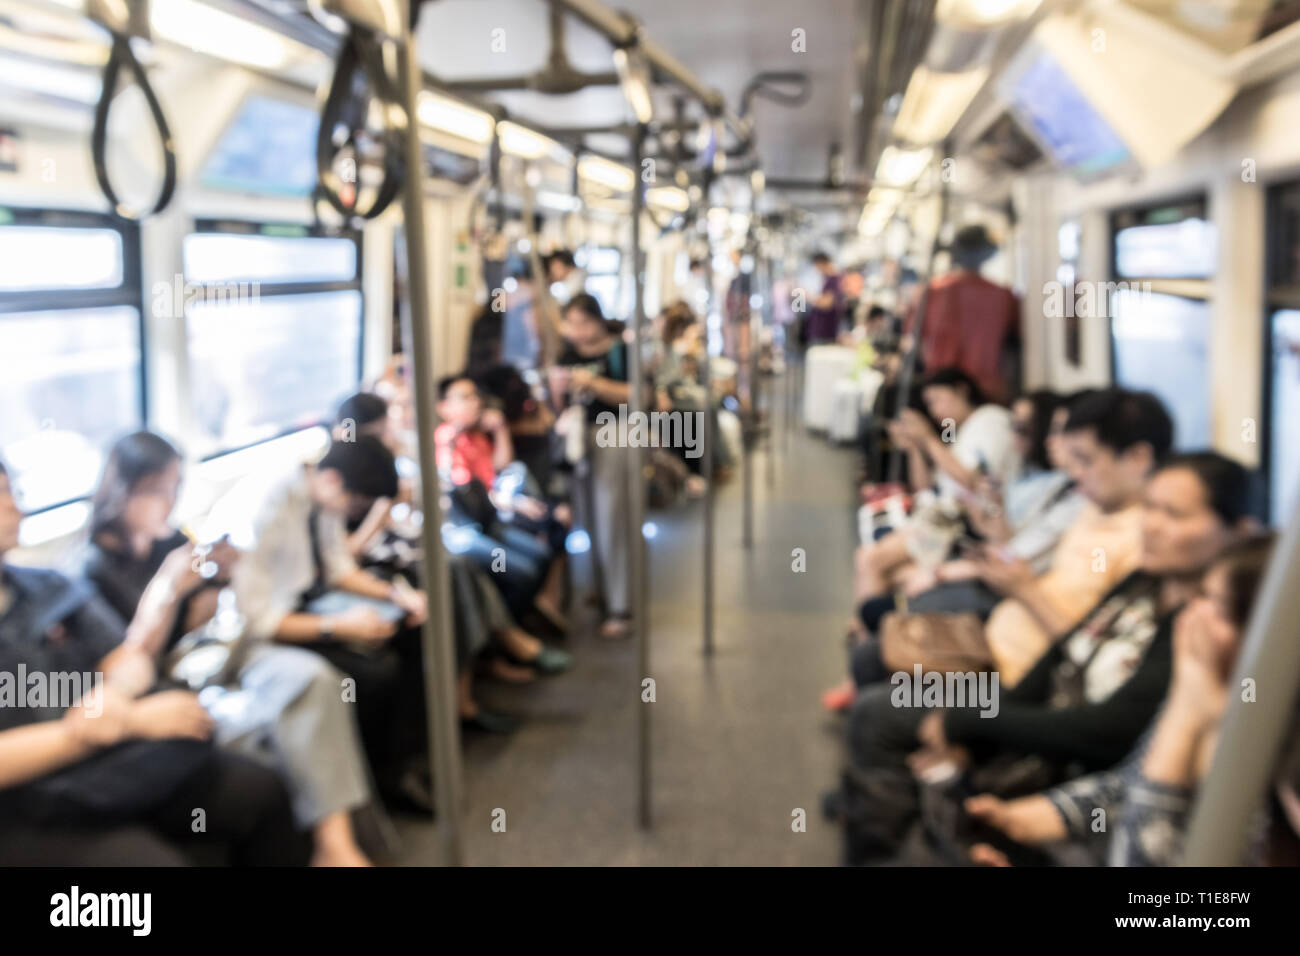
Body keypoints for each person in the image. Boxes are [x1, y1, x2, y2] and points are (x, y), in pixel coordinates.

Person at [833, 451, 1256, 864]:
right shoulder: (1141, 580)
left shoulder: (1197, 624)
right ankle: (869, 808)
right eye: (1150, 509)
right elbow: (1064, 652)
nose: (1152, 525)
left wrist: (967, 720)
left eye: (1175, 515)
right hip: (1010, 680)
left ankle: (880, 832)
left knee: (879, 712)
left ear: (1237, 531)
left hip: (1010, 688)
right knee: (877, 675)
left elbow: (1107, 729)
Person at [78, 432, 376, 865]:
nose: (168, 501)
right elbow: (130, 666)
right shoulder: (91, 572)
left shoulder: (171, 541)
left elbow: (204, 622)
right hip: (164, 681)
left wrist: (216, 580)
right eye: (158, 490)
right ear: (124, 490)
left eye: (175, 488)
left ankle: (337, 846)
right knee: (274, 727)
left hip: (212, 653)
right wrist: (165, 592)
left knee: (313, 679)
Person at [0, 460, 308, 866]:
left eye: (12, 491)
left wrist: (114, 694)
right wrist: (119, 723)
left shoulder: (49, 586)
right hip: (25, 800)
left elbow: (126, 656)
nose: (15, 507)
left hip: (108, 764)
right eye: (2, 495)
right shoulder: (90, 564)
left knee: (261, 790)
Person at [965, 532, 1289, 867]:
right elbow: (1131, 782)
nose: (1194, 613)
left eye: (1215, 604)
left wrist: (1187, 709)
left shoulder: (1266, 753)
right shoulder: (1216, 683)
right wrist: (1044, 815)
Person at [209, 436, 433, 812]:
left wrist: (396, 596)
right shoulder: (266, 509)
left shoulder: (322, 496)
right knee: (376, 673)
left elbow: (338, 568)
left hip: (307, 604)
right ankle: (374, 780)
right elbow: (258, 620)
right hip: (260, 632)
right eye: (358, 503)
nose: (354, 513)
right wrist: (338, 627)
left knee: (412, 629)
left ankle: (408, 760)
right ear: (333, 480)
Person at [851, 367, 1020, 611]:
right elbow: (926, 487)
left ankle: (866, 629)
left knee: (870, 560)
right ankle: (870, 628)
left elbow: (970, 480)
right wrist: (914, 448)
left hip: (956, 525)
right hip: (939, 516)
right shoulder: (956, 432)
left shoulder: (990, 420)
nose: (935, 411)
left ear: (962, 391)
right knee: (882, 569)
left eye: (938, 399)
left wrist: (928, 438)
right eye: (930, 404)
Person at [549, 293, 635, 639]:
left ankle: (620, 603)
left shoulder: (619, 351)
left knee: (612, 516)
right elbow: (559, 404)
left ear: (599, 320)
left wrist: (595, 384)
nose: (579, 331)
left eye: (585, 322)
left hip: (613, 434)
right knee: (587, 516)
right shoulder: (566, 354)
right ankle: (599, 588)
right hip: (577, 437)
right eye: (573, 323)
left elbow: (637, 395)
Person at [904, 223, 1019, 403]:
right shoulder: (1003, 296)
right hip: (987, 391)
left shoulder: (930, 292)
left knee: (947, 431)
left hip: (942, 392)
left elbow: (913, 341)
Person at [804, 252, 843, 345]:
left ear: (821, 263)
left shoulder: (832, 279)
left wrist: (807, 296)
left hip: (825, 329)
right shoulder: (829, 279)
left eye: (817, 266)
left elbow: (826, 304)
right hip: (823, 329)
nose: (817, 270)